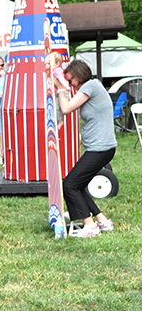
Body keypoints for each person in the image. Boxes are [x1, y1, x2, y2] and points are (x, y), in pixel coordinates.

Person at [54, 59, 116, 238]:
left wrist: (59, 88)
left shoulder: (91, 86)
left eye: (70, 79)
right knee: (77, 184)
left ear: (78, 75)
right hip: (100, 148)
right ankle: (102, 221)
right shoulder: (91, 87)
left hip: (100, 149)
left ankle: (90, 226)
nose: (70, 84)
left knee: (70, 184)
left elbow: (66, 108)